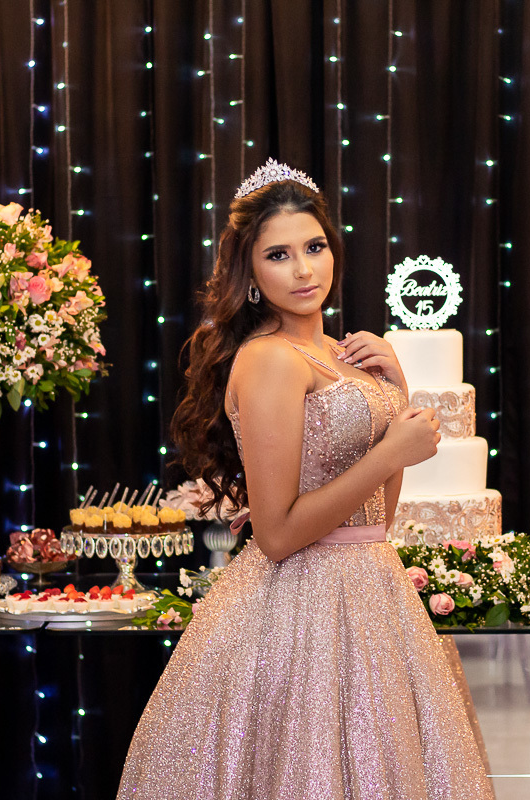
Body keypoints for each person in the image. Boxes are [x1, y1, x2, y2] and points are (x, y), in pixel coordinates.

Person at [116, 160, 495, 799]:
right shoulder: (267, 359)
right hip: (295, 609)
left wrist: (394, 387)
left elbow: (378, 517)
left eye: (314, 247)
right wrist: (389, 451)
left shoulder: (339, 354)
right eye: (279, 255)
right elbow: (277, 534)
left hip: (374, 591)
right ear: (251, 273)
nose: (304, 270)